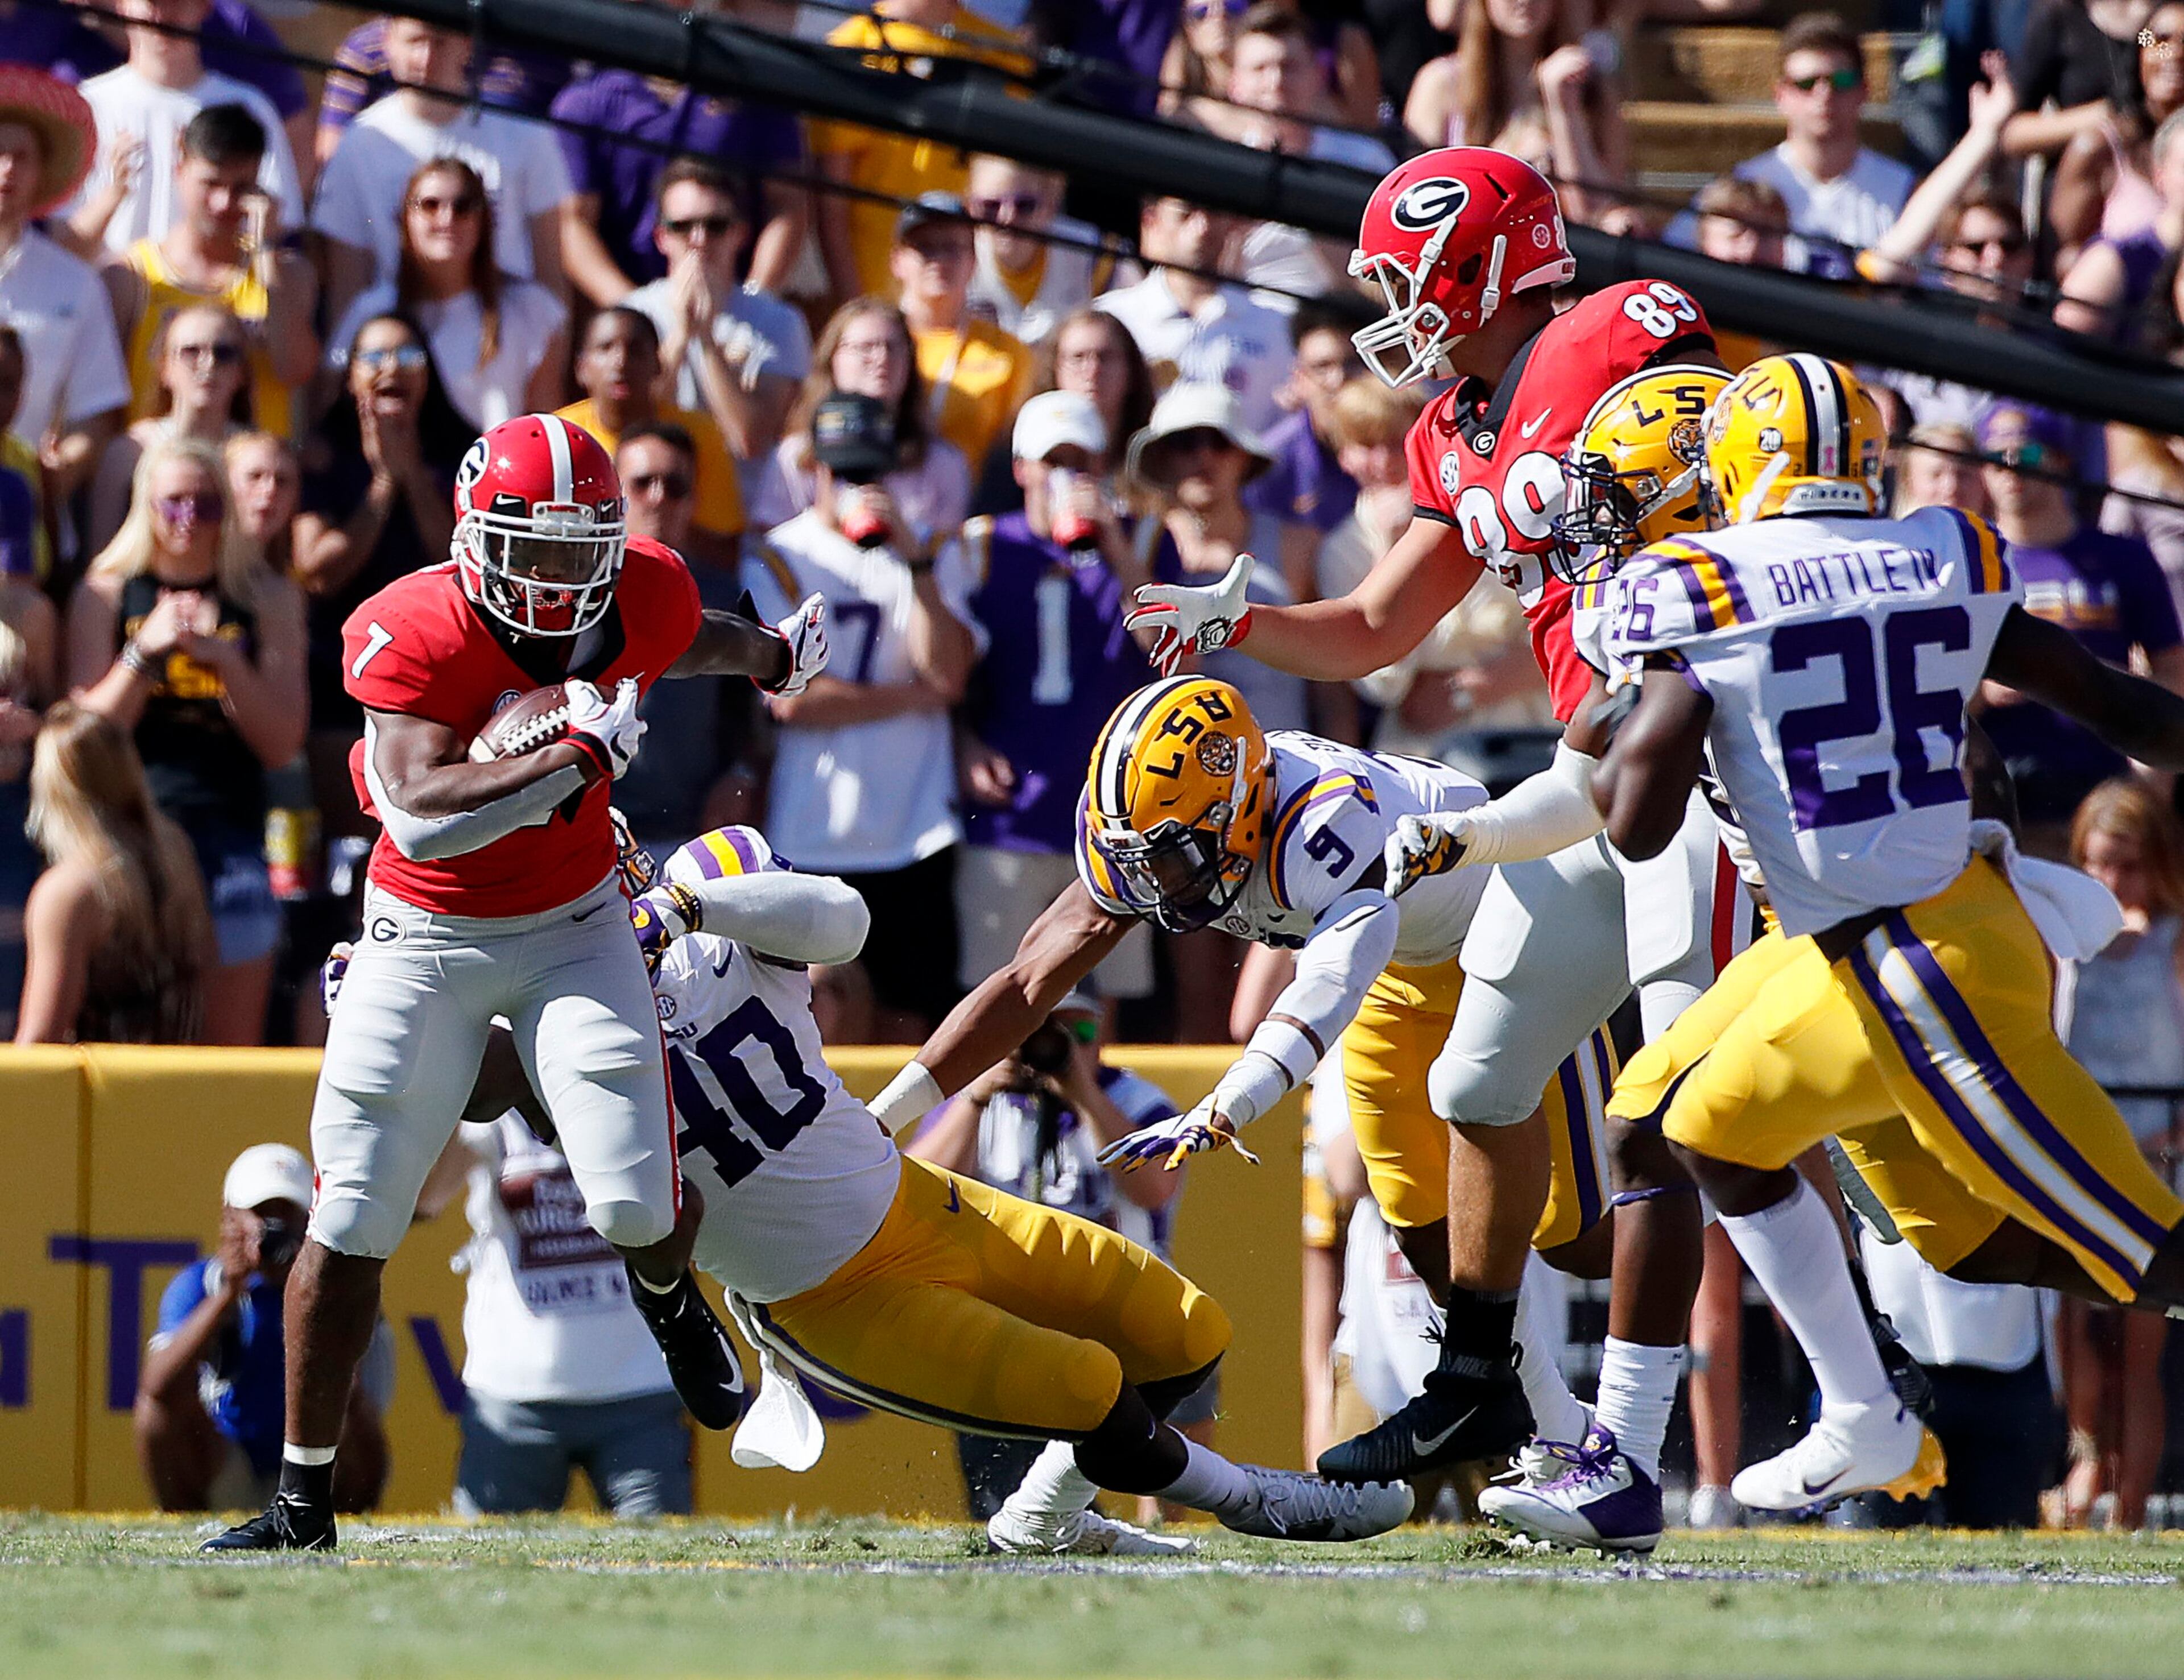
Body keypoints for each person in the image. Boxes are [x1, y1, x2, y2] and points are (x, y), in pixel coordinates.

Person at [1126, 150, 1744, 1546]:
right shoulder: (1452, 428)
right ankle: (1478, 1382)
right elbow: (1376, 626)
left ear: (1481, 265)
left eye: (1407, 275)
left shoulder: (1615, 335)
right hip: (1590, 769)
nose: (1391, 306)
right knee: (1479, 1073)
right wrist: (1238, 617)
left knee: (1674, 1111)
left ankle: (1658, 1448)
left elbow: (1720, 475)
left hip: (1701, 757)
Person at [403, 819, 1413, 1553]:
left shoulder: (706, 879)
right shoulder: (529, 1009)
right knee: (1081, 1385)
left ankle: (1044, 1516)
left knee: (1184, 1327)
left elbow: (842, 920)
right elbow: (475, 1078)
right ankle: (1254, 1502)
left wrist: (687, 904)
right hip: (824, 1293)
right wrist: (413, 990)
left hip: (917, 1195)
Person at [201, 412, 827, 1553]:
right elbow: (417, 806)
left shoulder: (640, 589)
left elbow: (682, 638)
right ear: (471, 539)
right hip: (424, 925)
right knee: (351, 1214)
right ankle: (300, 1500)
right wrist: (572, 759)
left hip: (576, 918)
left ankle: (671, 1301)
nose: (555, 578)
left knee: (638, 1199)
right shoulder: (410, 626)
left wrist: (774, 653)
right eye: (529, 552)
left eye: (578, 550)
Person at [1585, 351, 2184, 1513]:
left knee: (2142, 1247)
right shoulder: (1935, 550)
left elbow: (1639, 827)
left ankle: (1832, 1414)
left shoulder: (1700, 583)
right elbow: (2108, 701)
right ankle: (1856, 1411)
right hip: (1865, 936)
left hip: (1918, 954)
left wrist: (1630, 714)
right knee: (1691, 1126)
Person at [867, 673, 1625, 1530]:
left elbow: (1324, 989)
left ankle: (1713, 1196)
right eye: (1136, 856)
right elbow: (1026, 981)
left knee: (1580, 1242)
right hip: (1398, 972)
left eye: (1169, 854)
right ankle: (1555, 1433)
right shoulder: (1166, 836)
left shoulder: (1327, 828)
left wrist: (1229, 1101)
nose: (1152, 882)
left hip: (1507, 931)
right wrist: (881, 1117)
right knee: (1417, 1217)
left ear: (1240, 802)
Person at [406, 952, 692, 1521]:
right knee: (484, 1586)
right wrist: (452, 1080)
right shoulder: (496, 1110)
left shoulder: (649, 1081)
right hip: (514, 1394)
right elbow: (422, 1199)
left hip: (639, 1386)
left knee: (667, 1573)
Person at [746, 392, 982, 1044]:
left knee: (912, 1020)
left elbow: (952, 670)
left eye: (870, 472)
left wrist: (916, 562)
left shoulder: (931, 550)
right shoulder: (779, 557)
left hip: (916, 825)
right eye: (845, 471)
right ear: (814, 469)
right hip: (817, 825)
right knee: (824, 1015)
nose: (859, 487)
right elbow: (792, 698)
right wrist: (914, 697)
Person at [906, 991, 1193, 1520]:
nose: (1055, 1044)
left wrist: (1080, 1090)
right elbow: (914, 1192)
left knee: (1161, 1480)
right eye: (1038, 1029)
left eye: (1077, 1033)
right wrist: (974, 1099)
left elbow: (1154, 1187)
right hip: (1013, 1325)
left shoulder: (1137, 1102)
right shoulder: (979, 1103)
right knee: (1005, 1495)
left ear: (1104, 1033)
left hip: (1126, 1315)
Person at [67, 433, 307, 1044]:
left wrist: (227, 662)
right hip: (126, 827)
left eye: (206, 505)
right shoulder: (106, 593)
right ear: (145, 506)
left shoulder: (267, 597)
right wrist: (143, 654)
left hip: (228, 828)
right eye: (174, 503)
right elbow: (84, 736)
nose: (189, 520)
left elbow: (282, 742)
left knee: (241, 946)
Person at [953, 392, 1158, 1005]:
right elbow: (945, 668)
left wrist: (1118, 549)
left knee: (1106, 1004)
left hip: (1115, 813)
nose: (1066, 475)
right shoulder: (981, 545)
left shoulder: (1144, 537)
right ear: (1022, 468)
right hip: (1012, 809)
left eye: (1080, 460)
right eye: (1053, 460)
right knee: (998, 998)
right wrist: (962, 743)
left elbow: (1175, 656)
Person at [1976, 401, 2184, 853]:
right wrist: (1982, 692)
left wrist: (2153, 776)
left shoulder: (2121, 558)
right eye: (1995, 458)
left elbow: (2171, 666)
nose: (2010, 471)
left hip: (2101, 801)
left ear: (2062, 461)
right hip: (2004, 797)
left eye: (2027, 456)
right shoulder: (1972, 565)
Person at [2059, 777, 2184, 1527]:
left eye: (2129, 864)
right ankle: (2084, 1464)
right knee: (2077, 1338)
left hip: (2155, 1159)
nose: (2112, 880)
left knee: (2138, 1349)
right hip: (2077, 1165)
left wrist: (2163, 1141)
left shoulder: (2173, 940)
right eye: (2099, 863)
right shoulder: (2064, 944)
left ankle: (2129, 1505)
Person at [293, 313, 471, 833]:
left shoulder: (463, 455)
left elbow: (463, 560)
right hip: (340, 672)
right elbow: (318, 571)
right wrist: (381, 486)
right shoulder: (323, 460)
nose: (392, 368)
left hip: (435, 673)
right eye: (373, 357)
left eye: (409, 356)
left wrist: (412, 474)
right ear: (350, 377)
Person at [139, 1143, 389, 1513]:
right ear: (230, 1218)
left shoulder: (337, 1291)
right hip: (229, 1460)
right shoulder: (201, 1285)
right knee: (153, 1416)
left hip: (317, 1464)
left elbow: (362, 1399)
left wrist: (306, 1288)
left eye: (286, 1214)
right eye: (261, 1213)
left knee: (355, 1417)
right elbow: (157, 1388)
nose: (274, 1229)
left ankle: (342, 1516)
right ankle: (187, 1520)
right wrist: (228, 1294)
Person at [310, 18, 574, 333]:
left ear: (466, 43)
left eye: (439, 42)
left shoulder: (527, 137)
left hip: (505, 338)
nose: (426, 59)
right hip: (401, 346)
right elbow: (347, 291)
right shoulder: (358, 146)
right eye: (415, 42)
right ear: (388, 42)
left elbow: (551, 279)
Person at [104, 102, 314, 449]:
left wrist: (265, 255)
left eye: (241, 187)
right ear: (180, 169)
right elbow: (105, 407)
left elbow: (294, 369)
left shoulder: (288, 275)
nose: (223, 202)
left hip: (256, 487)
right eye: (211, 184)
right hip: (159, 480)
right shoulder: (132, 276)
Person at [809, 0, 1032, 302]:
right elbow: (831, 206)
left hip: (979, 303)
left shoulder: (1003, 54)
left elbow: (1026, 191)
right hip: (882, 296)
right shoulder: (853, 46)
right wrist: (855, 307)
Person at [326, 158, 566, 435]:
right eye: (430, 205)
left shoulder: (530, 309)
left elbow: (548, 427)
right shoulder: (372, 311)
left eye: (463, 207)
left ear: (484, 220)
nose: (447, 219)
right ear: (405, 217)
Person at [15, 700, 208, 1044]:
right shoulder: (176, 854)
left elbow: (39, 1042)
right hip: (178, 1087)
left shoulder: (70, 891)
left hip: (104, 1092)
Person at [611, 425, 762, 855]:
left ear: (694, 500)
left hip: (690, 839)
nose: (658, 497)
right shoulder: (575, 595)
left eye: (675, 485)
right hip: (594, 840)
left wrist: (741, 774)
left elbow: (745, 714)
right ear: (614, 496)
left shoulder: (722, 595)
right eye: (642, 484)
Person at [551, 57, 805, 306]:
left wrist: (752, 306)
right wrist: (639, 317)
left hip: (735, 309)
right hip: (630, 319)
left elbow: (787, 205)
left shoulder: (756, 92)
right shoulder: (586, 102)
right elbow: (573, 223)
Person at [623, 159, 811, 490]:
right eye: (683, 226)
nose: (699, 239)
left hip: (741, 515)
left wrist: (707, 340)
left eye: (716, 226)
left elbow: (751, 440)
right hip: (657, 501)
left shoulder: (779, 322)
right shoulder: (634, 314)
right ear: (661, 237)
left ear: (739, 234)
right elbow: (633, 424)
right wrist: (681, 336)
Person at [64, 0, 300, 259]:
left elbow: (279, 227)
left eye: (178, 3)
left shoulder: (250, 109)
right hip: (117, 293)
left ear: (204, 7)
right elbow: (62, 249)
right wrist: (114, 194)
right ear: (123, 6)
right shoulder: (87, 107)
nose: (163, 15)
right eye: (150, 4)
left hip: (219, 295)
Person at [0, 68, 130, 510]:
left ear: (41, 173)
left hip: (30, 531)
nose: (7, 169)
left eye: (22, 156)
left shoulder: (76, 285)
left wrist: (52, 478)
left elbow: (95, 417)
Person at [752, 298, 972, 542]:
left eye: (893, 347)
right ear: (833, 357)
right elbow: (767, 551)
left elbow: (949, 560)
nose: (881, 358)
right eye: (866, 347)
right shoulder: (796, 457)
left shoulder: (942, 463)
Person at [1221, 6, 1396, 303]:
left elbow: (1385, 277)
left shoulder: (1365, 159)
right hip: (1250, 318)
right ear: (1235, 85)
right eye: (1260, 69)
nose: (1275, 82)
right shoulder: (1220, 164)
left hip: (1343, 318)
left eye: (1289, 66)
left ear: (1318, 75)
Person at [1729, 13, 1916, 279]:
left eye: (1840, 82)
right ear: (1780, 95)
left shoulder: (1906, 191)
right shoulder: (1743, 186)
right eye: (1806, 84)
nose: (1824, 95)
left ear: (1865, 91)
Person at [557, 309, 743, 565]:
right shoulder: (559, 438)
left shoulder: (701, 434)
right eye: (605, 348)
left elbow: (726, 548)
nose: (621, 361)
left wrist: (659, 523)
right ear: (581, 368)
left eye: (635, 350)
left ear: (658, 365)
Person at [1097, 197, 1296, 437]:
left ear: (1232, 222)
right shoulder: (1113, 319)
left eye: (1214, 213)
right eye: (1186, 214)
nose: (1203, 228)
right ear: (1152, 221)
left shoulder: (1276, 326)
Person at [87, 303, 252, 556]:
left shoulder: (255, 455)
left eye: (224, 353)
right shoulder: (129, 452)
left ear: (241, 373)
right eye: (190, 352)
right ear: (164, 368)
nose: (208, 364)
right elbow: (100, 557)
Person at [891, 193, 1035, 481]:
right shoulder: (875, 341)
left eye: (952, 248)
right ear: (897, 261)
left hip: (974, 508)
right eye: (925, 247)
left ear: (973, 262)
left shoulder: (1008, 352)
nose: (940, 260)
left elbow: (1014, 449)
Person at [1247, 304, 1364, 604]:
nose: (1337, 380)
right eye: (1322, 367)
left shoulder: (1409, 445)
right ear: (1299, 378)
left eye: (1353, 364)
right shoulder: (1269, 465)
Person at [963, 153, 1112, 349]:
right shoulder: (957, 256)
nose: (1007, 218)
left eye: (1025, 206)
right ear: (971, 208)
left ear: (1051, 205)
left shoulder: (1094, 256)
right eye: (990, 206)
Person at [226, 429, 297, 574]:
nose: (270, 490)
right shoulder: (191, 574)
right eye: (255, 476)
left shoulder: (285, 591)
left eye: (282, 481)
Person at [1895, 421, 1992, 518]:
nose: (1952, 487)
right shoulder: (1889, 533)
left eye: (1963, 475)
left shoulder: (1998, 533)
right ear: (1908, 483)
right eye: (1936, 475)